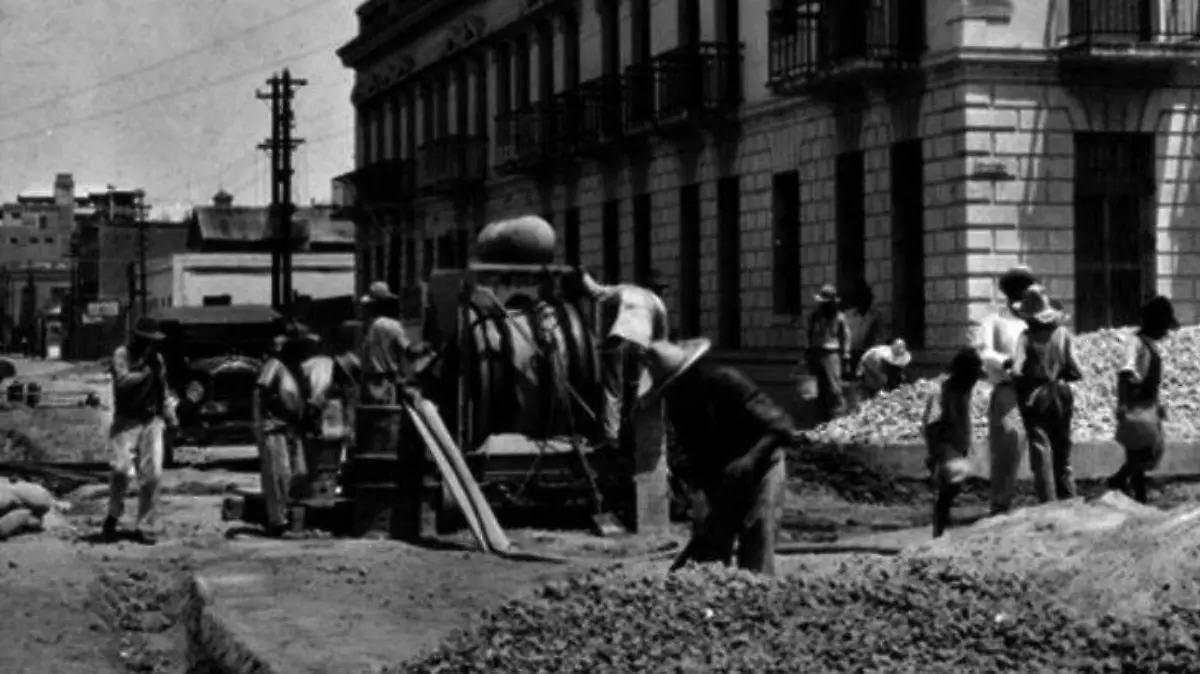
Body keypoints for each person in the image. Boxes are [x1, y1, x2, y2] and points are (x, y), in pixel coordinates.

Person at [640, 336, 795, 576]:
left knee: (757, 533)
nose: (673, 392)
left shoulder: (726, 382)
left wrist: (749, 460)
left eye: (676, 384)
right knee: (712, 543)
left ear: (689, 373)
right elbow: (693, 455)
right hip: (723, 473)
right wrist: (701, 498)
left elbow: (782, 427)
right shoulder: (679, 406)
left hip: (762, 462)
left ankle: (758, 595)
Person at [572, 267, 669, 452]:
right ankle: (630, 434)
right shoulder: (658, 305)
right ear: (658, 289)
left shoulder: (626, 290)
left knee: (612, 391)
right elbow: (661, 341)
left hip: (617, 342)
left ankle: (611, 437)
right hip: (639, 346)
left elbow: (596, 291)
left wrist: (582, 273)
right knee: (633, 390)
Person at [101, 317, 178, 545]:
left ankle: (146, 525)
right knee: (121, 469)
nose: (150, 345)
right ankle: (114, 514)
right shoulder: (122, 355)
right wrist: (145, 373)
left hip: (151, 421)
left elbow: (162, 390)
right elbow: (122, 382)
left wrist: (171, 418)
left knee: (152, 475)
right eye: (147, 341)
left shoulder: (158, 360)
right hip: (126, 422)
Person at [969, 265, 1038, 515]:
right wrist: (1005, 362)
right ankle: (1000, 502)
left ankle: (1050, 501)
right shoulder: (994, 321)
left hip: (1036, 387)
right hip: (1008, 387)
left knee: (1045, 443)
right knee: (1009, 438)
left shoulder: (1037, 320)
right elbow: (982, 351)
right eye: (1017, 288)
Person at [1011, 286, 1083, 503]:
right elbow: (1078, 370)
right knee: (1062, 447)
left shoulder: (1025, 338)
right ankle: (1068, 496)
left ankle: (1047, 500)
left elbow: (1016, 369)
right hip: (1061, 394)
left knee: (1040, 447)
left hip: (1035, 397)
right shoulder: (1062, 335)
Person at [1106, 296, 1179, 503]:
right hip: (1136, 404)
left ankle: (1128, 486)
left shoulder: (1150, 345)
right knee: (1139, 450)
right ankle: (1129, 488)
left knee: (1150, 449)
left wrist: (1158, 404)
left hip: (1149, 404)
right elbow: (1125, 374)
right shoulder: (1135, 344)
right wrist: (1122, 404)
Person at [252, 322, 317, 537]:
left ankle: (289, 516)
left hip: (291, 427)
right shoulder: (275, 365)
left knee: (298, 472)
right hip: (274, 426)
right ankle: (278, 522)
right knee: (278, 475)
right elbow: (259, 393)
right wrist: (258, 423)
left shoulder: (296, 368)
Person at [923, 347, 985, 538]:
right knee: (946, 489)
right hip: (946, 446)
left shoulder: (965, 389)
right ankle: (938, 532)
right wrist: (935, 454)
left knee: (953, 488)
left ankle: (941, 529)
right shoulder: (941, 390)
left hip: (960, 444)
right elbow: (931, 423)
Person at [806, 284, 850, 422]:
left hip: (832, 353)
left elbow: (845, 336)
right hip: (817, 352)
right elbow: (809, 334)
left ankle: (839, 417)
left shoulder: (839, 317)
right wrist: (809, 353)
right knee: (820, 389)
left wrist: (846, 355)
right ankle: (821, 419)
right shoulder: (815, 316)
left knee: (835, 388)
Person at [844, 279, 883, 374]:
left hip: (866, 355)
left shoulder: (874, 315)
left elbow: (880, 336)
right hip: (850, 355)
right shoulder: (848, 315)